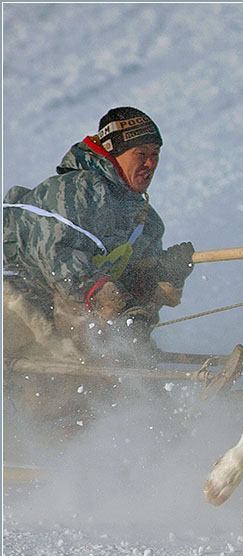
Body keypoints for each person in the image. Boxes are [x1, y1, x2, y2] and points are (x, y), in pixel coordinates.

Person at [3, 107, 195, 365]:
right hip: (15, 304)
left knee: (114, 354)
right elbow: (56, 253)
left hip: (63, 326)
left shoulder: (145, 222)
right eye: (141, 154)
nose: (150, 164)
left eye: (155, 154)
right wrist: (102, 294)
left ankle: (141, 392)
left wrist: (162, 278)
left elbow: (131, 294)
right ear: (113, 152)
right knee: (91, 340)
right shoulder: (75, 191)